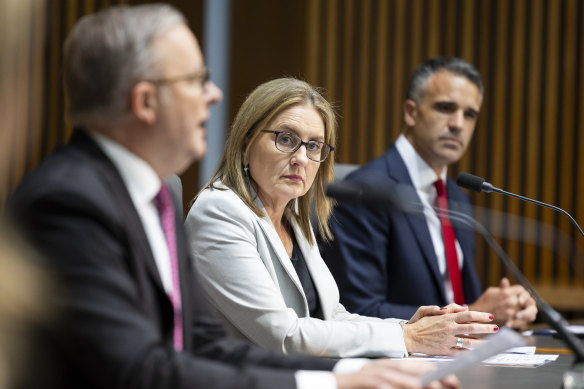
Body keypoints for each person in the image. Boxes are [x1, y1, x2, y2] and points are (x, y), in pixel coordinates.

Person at [6, 4, 459, 389]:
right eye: (196, 80)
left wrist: (368, 358)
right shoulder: (72, 201)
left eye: (315, 147)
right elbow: (139, 368)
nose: (213, 94)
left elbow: (207, 345)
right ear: (145, 102)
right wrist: (334, 379)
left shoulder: (156, 195)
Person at [185, 76, 497, 360]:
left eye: (314, 146)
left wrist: (411, 326)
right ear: (244, 144)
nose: (300, 158)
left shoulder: (293, 215)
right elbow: (283, 335)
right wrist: (405, 337)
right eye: (285, 139)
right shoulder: (220, 212)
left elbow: (332, 316)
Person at [321, 57, 538, 330]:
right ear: (411, 112)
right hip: (397, 363)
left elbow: (460, 298)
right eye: (446, 108)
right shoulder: (366, 192)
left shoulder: (456, 196)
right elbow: (358, 310)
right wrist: (474, 312)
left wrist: (506, 309)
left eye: (469, 114)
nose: (458, 123)